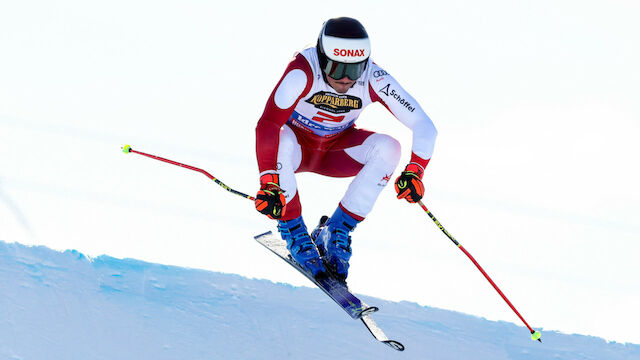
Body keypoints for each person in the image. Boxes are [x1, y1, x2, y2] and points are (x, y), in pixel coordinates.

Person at [254, 17, 437, 281]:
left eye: (354, 70)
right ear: (321, 57)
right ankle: (294, 230)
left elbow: (424, 124)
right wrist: (269, 181)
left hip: (336, 151)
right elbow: (268, 123)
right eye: (336, 68)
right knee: (281, 137)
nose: (344, 79)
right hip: (296, 149)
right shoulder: (303, 70)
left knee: (389, 148)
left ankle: (336, 230)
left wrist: (416, 170)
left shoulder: (374, 77)